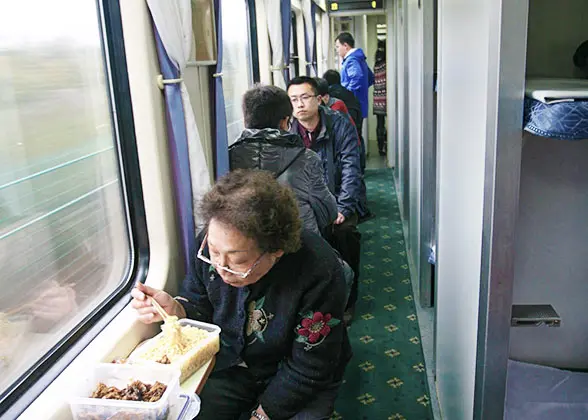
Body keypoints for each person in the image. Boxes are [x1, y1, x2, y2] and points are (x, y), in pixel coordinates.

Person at [131, 169, 352, 420]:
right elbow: (198, 300)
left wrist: (262, 414)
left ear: (276, 252)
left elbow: (311, 366)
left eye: (238, 261)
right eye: (213, 252)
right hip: (232, 364)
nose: (220, 267)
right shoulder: (212, 241)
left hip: (301, 373)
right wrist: (176, 310)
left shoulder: (318, 269)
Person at [287, 76, 362, 320]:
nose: (299, 105)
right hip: (304, 204)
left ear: (319, 100)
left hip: (339, 197)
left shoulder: (339, 124)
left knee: (345, 235)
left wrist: (343, 206)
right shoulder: (286, 131)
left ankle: (348, 301)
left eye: (305, 98)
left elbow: (352, 166)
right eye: (293, 100)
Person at [230, 84, 337, 237]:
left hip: (248, 247)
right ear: (284, 121)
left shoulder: (227, 156)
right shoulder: (307, 158)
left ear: (246, 120)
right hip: (299, 245)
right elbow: (328, 210)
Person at [373, 40, 387, 156]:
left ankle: (380, 148)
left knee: (380, 124)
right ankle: (387, 145)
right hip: (386, 97)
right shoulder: (386, 65)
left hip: (378, 98)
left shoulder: (376, 65)